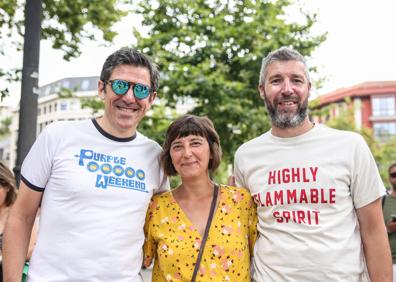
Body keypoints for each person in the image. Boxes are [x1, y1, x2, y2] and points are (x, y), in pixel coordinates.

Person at [3, 48, 169, 282]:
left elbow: (165, 228)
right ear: (102, 88)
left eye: (140, 89)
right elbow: (21, 217)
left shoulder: (156, 156)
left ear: (151, 99)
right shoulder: (58, 136)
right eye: (121, 86)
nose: (130, 98)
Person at [234, 47, 392, 281]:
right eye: (276, 80)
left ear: (308, 88)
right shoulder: (246, 155)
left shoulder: (350, 146)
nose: (287, 89)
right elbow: (246, 233)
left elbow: (374, 232)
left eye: (296, 80)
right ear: (262, 90)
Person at [144, 115, 257, 281]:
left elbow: (261, 257)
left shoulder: (241, 202)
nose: (187, 153)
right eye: (177, 146)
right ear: (170, 156)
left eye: (195, 143)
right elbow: (141, 260)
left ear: (211, 150)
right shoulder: (156, 208)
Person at [383, 163, 396, 281]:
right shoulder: (381, 201)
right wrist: (388, 229)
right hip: (389, 264)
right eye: (394, 175)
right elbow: (370, 231)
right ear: (389, 178)